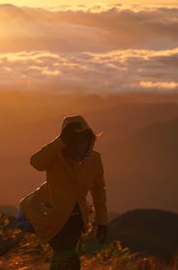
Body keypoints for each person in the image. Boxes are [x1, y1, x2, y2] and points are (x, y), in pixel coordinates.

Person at [18, 115, 108, 270]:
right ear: (68, 141)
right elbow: (36, 163)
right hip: (52, 216)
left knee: (66, 257)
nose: (81, 145)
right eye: (76, 141)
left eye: (84, 140)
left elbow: (98, 190)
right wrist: (59, 141)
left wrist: (102, 222)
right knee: (66, 256)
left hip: (76, 219)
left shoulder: (94, 159)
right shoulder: (56, 155)